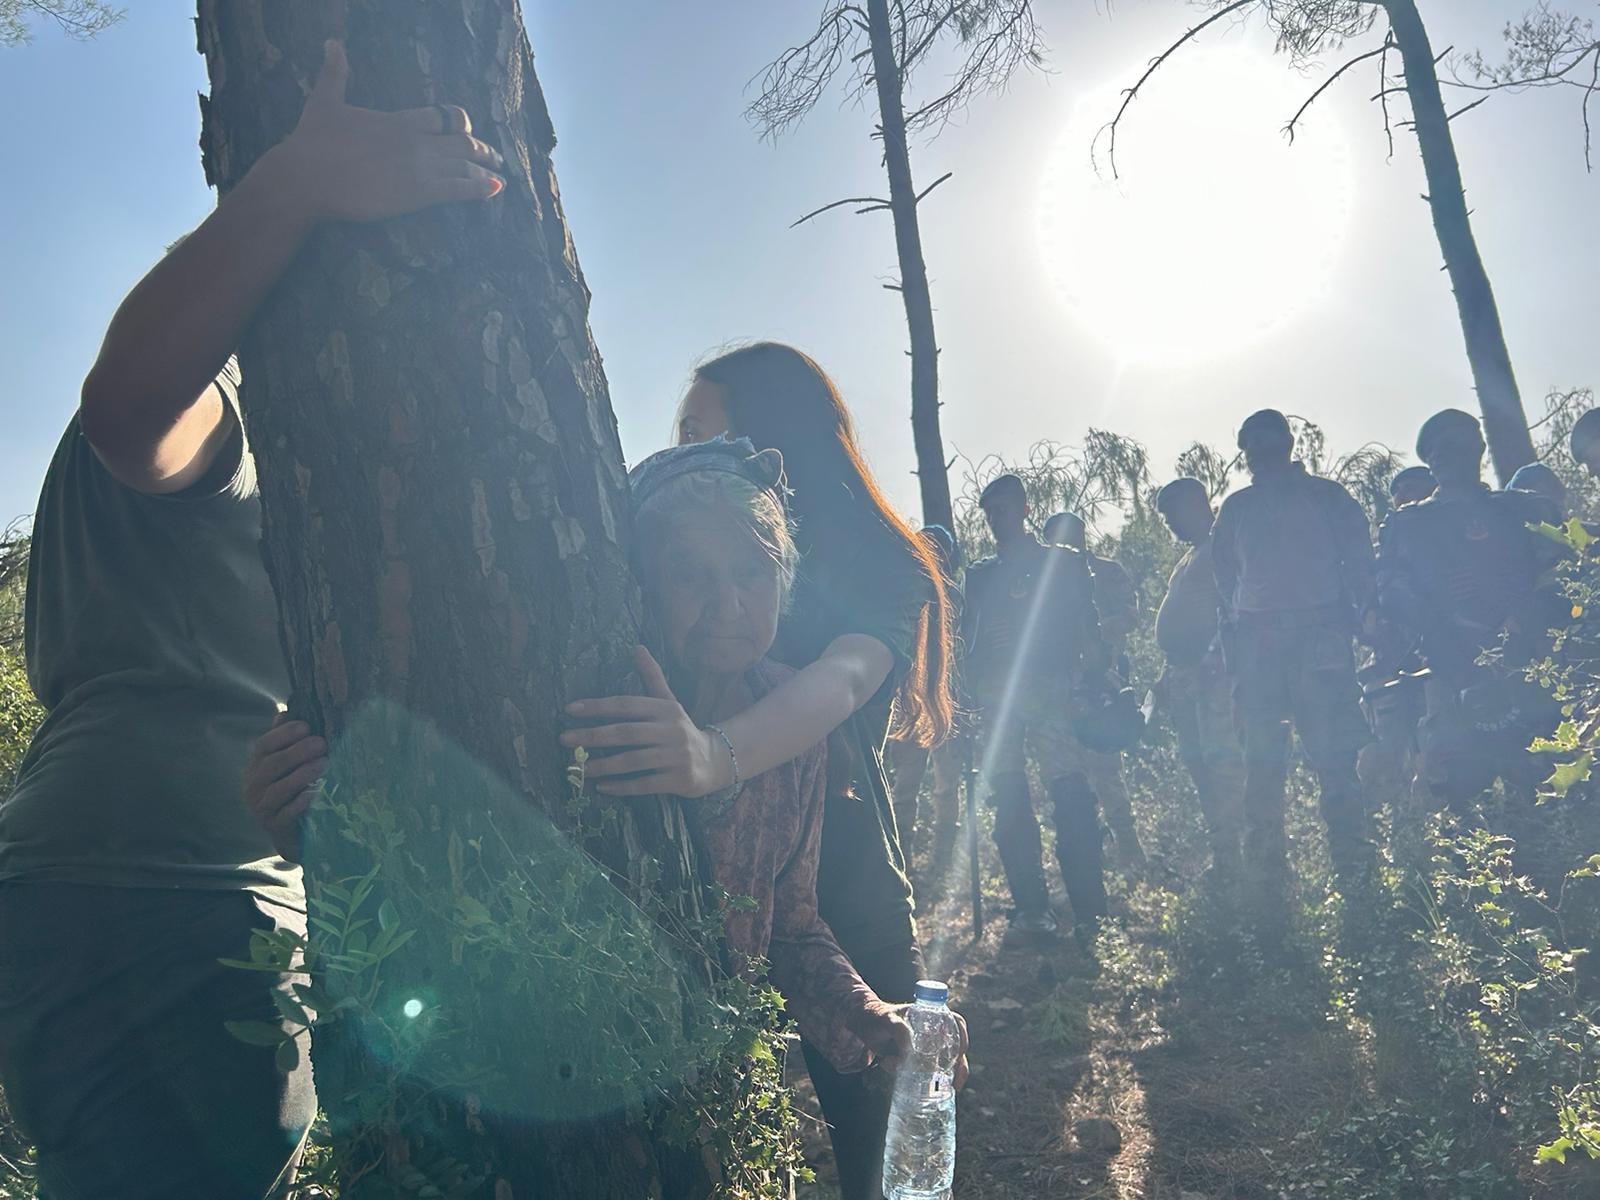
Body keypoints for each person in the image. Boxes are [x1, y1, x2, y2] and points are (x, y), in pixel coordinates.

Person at [0, 41, 507, 1198]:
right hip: (169, 899)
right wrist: (290, 187)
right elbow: (129, 404)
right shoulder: (215, 428)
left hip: (100, 885)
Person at [248, 438, 967, 1096]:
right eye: (691, 575)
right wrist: (310, 828)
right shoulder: (578, 700)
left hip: (713, 1089)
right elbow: (445, 869)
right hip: (538, 1089)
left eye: (754, 570)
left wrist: (870, 1012)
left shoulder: (790, 723)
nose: (730, 605)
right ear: (639, 585)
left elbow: (792, 927)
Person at [561, 343, 956, 1200]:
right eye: (695, 578)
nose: (730, 604)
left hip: (846, 879)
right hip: (670, 1020)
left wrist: (715, 756)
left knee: (882, 1147)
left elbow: (841, 681)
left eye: (705, 428)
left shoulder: (872, 568)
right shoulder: (616, 693)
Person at [1212, 409, 1377, 939]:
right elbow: (1224, 584)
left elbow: (1361, 565)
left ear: (1287, 443)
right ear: (1245, 453)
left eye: (1268, 441)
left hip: (1320, 640)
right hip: (1258, 646)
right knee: (1261, 766)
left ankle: (1357, 882)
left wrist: (1362, 618)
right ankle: (1267, 889)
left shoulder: (1328, 498)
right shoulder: (1236, 509)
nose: (1260, 452)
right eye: (1250, 445)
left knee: (1335, 761)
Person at [1377, 411, 1561, 808]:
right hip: (1450, 665)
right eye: (1441, 453)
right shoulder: (1409, 525)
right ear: (1431, 462)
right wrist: (1440, 620)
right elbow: (1389, 588)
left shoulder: (1522, 510)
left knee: (1546, 778)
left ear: (1478, 449)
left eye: (1459, 448)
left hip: (1528, 659)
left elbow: (1561, 569)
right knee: (1450, 789)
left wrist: (1526, 615)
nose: (1451, 459)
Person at [963, 475, 1109, 944]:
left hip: (1049, 687)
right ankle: (1032, 911)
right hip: (996, 694)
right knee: (1008, 796)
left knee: (1069, 791)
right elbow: (967, 636)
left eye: (1002, 509)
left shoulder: (1060, 565)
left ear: (1025, 508)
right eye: (988, 512)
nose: (994, 519)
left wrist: (1091, 682)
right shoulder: (981, 574)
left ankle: (1090, 912)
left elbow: (1086, 629)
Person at [1042, 511, 1146, 870]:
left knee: (1106, 770)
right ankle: (1087, 857)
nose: (1067, 543)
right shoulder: (1043, 584)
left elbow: (1132, 615)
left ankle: (1130, 853)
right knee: (1067, 777)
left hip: (1102, 689)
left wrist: (1093, 632)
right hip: (1059, 693)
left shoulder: (1106, 572)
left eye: (1072, 535)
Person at [1153, 479, 1244, 883]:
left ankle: (1240, 861)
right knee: (1199, 764)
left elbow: (1236, 608)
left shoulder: (1225, 546)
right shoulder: (1191, 558)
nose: (1170, 524)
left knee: (1223, 763)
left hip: (1215, 678)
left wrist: (1213, 658)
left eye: (1173, 514)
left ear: (1196, 505)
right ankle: (1225, 857)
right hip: (1185, 677)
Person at [886, 525, 965, 883]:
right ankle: (903, 867)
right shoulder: (903, 593)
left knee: (947, 787)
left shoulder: (956, 599)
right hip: (910, 703)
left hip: (948, 703)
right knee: (905, 789)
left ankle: (942, 865)